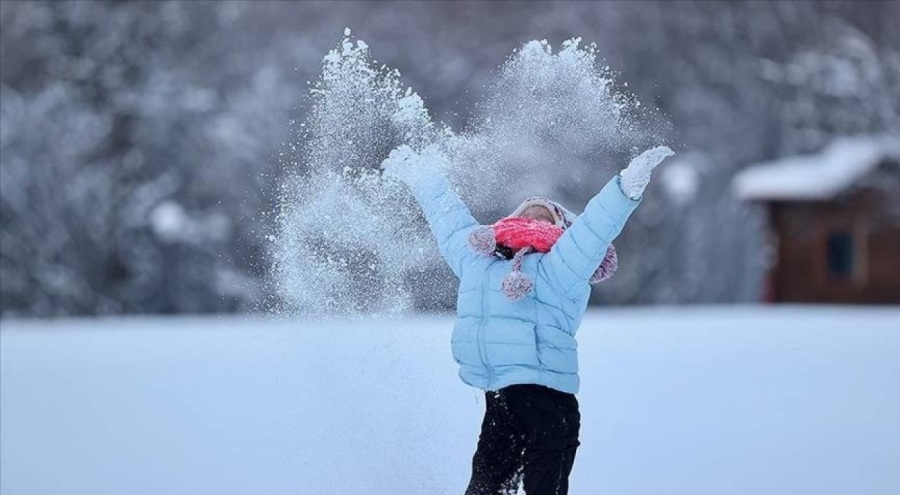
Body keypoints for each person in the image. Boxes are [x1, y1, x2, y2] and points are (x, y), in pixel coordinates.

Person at [381, 144, 673, 495]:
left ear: (562, 230)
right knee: (484, 489)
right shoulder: (480, 262)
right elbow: (449, 220)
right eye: (526, 215)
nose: (533, 222)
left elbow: (594, 229)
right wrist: (423, 177)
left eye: (544, 218)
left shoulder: (562, 266)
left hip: (549, 402)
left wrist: (625, 188)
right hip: (500, 399)